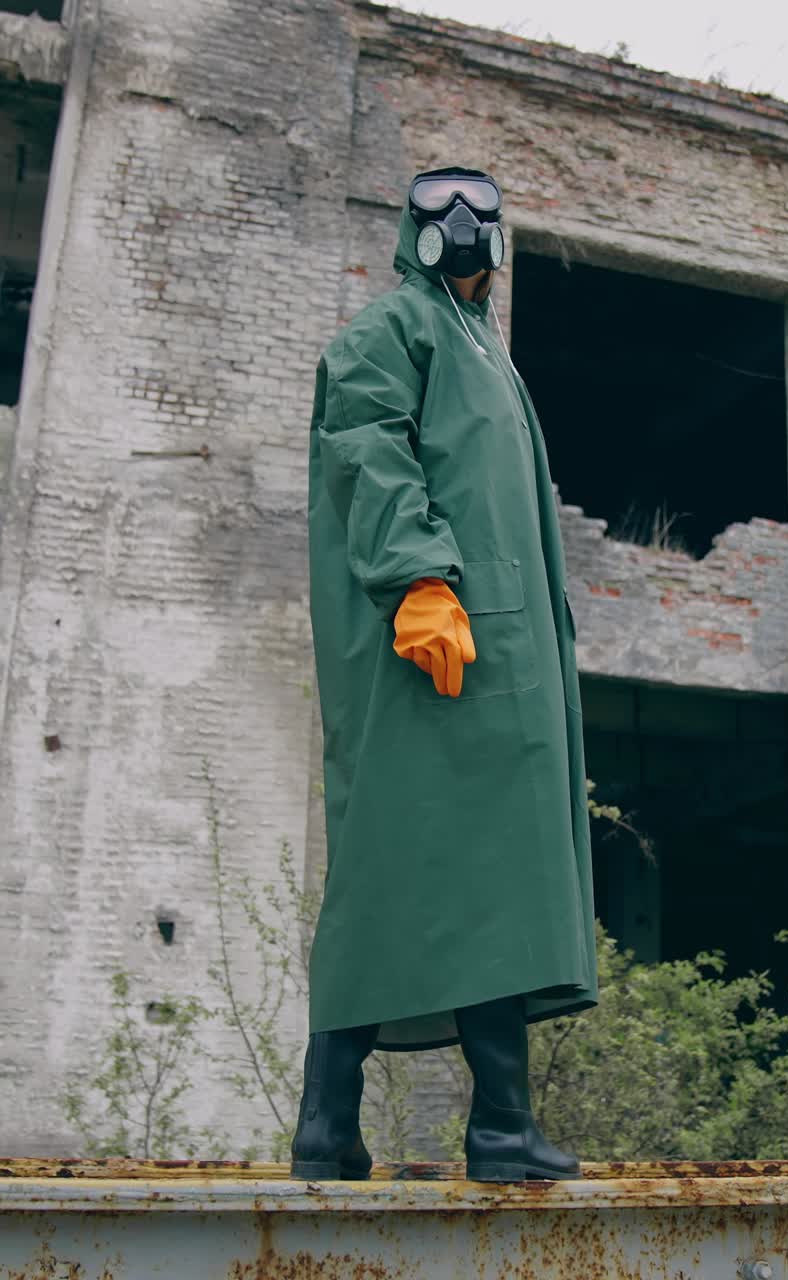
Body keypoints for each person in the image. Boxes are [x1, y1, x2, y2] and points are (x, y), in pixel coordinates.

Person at [290, 167, 598, 1183]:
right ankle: (329, 1125)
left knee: (494, 874)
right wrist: (416, 576)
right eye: (438, 204)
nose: (460, 225)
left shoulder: (486, 354)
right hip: (431, 639)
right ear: (409, 228)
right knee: (392, 862)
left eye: (476, 206)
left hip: (499, 652)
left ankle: (500, 1125)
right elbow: (365, 452)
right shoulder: (391, 330)